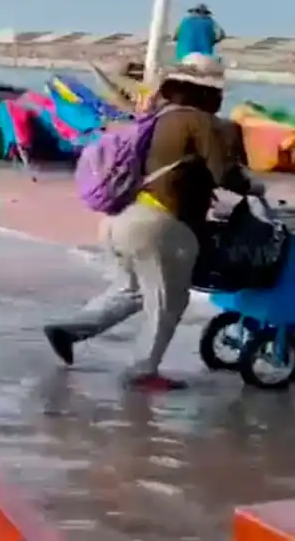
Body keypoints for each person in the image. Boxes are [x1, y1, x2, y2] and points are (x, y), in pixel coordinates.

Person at [43, 53, 263, 391]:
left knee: (129, 291)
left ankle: (69, 329)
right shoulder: (198, 121)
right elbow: (223, 174)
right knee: (169, 302)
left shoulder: (156, 117)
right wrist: (254, 185)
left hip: (121, 219)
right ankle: (143, 372)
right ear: (206, 92)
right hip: (160, 225)